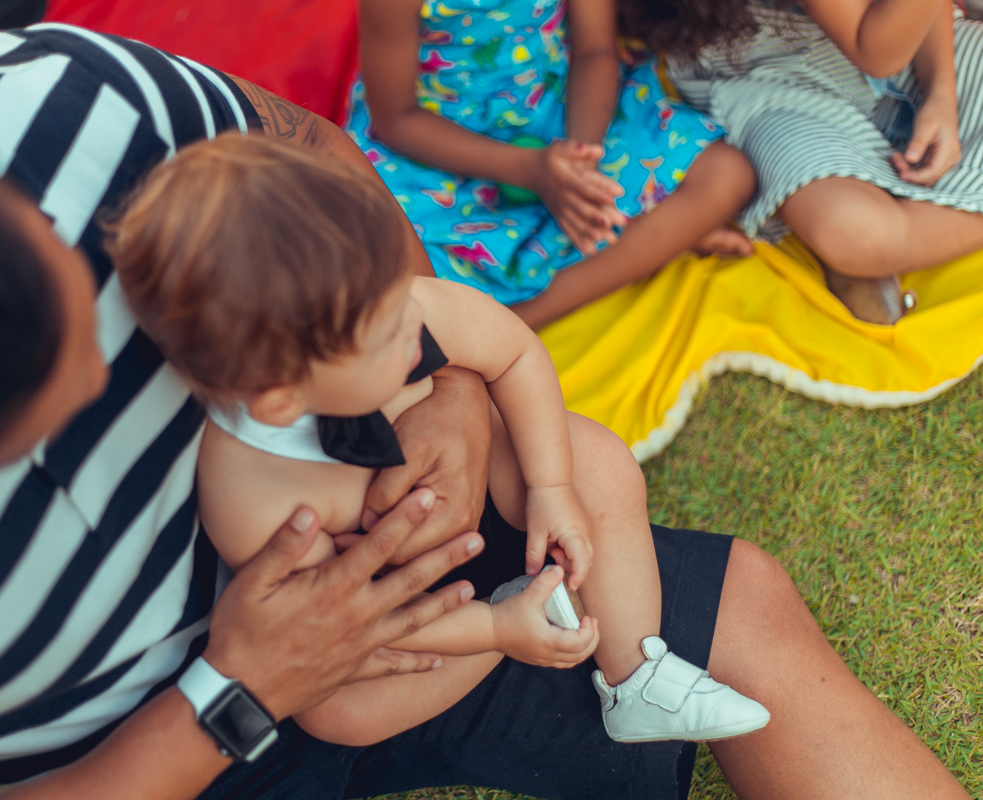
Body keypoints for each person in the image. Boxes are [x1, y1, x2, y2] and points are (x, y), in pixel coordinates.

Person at [0, 24, 969, 800]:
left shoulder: (55, 104)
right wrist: (235, 690)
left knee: (736, 607)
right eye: (32, 417)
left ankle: (628, 675)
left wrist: (451, 396)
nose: (115, 381)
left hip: (385, 523)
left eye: (81, 301)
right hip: (138, 768)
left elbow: (317, 167)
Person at [108, 133, 771, 746]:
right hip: (402, 602)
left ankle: (637, 676)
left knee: (599, 458)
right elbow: (343, 624)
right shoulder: (252, 495)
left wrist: (550, 485)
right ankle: (518, 612)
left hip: (495, 486)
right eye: (388, 333)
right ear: (280, 397)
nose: (415, 328)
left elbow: (513, 352)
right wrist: (492, 630)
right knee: (338, 713)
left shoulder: (397, 301)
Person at [344, 0, 757, 329]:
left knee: (725, 176)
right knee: (378, 281)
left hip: (566, 116)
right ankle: (645, 242)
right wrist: (530, 171)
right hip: (438, 154)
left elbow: (595, 51)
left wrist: (581, 161)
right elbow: (396, 119)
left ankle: (512, 322)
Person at [627, 0, 983, 323]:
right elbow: (874, 49)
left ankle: (877, 232)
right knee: (855, 232)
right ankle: (865, 242)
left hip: (903, 46)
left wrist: (941, 96)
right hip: (767, 79)